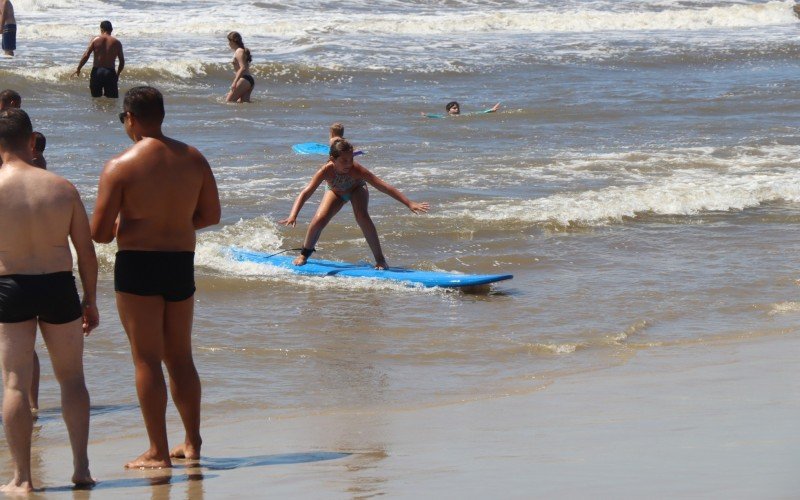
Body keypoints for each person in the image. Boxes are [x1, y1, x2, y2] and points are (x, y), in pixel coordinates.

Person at [91, 86, 220, 469]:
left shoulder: (121, 165)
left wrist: (125, 223)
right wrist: (174, 224)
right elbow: (210, 216)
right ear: (161, 115)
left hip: (139, 264)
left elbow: (99, 233)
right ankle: (192, 443)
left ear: (130, 117)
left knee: (146, 359)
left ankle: (157, 451)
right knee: (180, 357)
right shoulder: (194, 159)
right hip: (180, 262)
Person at [0, 108, 98, 493]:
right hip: (59, 285)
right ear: (31, 141)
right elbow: (86, 252)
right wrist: (90, 300)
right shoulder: (62, 187)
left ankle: (22, 479)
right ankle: (81, 469)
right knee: (72, 378)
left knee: (14, 385)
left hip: (10, 286)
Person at [279, 139, 429, 269]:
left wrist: (409, 203)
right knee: (319, 219)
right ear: (332, 159)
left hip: (357, 189)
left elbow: (383, 186)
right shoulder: (325, 171)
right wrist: (293, 214)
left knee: (362, 216)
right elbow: (306, 192)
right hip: (335, 192)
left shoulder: (357, 170)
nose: (349, 164)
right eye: (344, 160)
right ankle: (304, 255)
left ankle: (380, 260)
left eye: (351, 159)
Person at [75, 20, 124, 98]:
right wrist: (117, 74)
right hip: (110, 72)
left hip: (97, 72)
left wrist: (79, 68)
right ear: (111, 29)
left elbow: (86, 55)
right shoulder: (117, 42)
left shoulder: (95, 40)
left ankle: (97, 110)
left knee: (96, 99)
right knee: (112, 100)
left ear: (101, 29)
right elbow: (122, 61)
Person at [225, 31, 253, 103]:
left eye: (229, 41)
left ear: (233, 41)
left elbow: (242, 67)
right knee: (243, 103)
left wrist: (235, 82)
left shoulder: (239, 51)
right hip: (248, 80)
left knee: (229, 101)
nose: (228, 44)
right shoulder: (241, 50)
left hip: (244, 80)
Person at [421, 101, 501, 118]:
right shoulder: (445, 117)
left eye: (457, 108)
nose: (457, 109)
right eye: (454, 108)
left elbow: (477, 113)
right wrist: (427, 115)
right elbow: (436, 116)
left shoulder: (463, 115)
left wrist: (491, 110)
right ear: (448, 110)